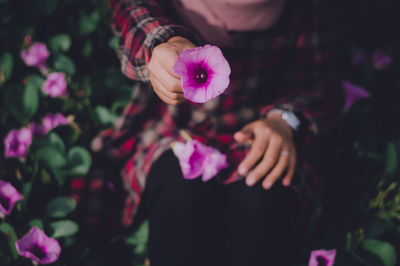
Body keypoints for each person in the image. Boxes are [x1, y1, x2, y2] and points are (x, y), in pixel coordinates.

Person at [91, 0, 343, 265]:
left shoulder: (301, 9)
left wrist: (285, 119)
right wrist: (161, 43)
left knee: (261, 198)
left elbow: (318, 82)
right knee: (180, 190)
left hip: (259, 136)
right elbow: (133, 9)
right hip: (177, 132)